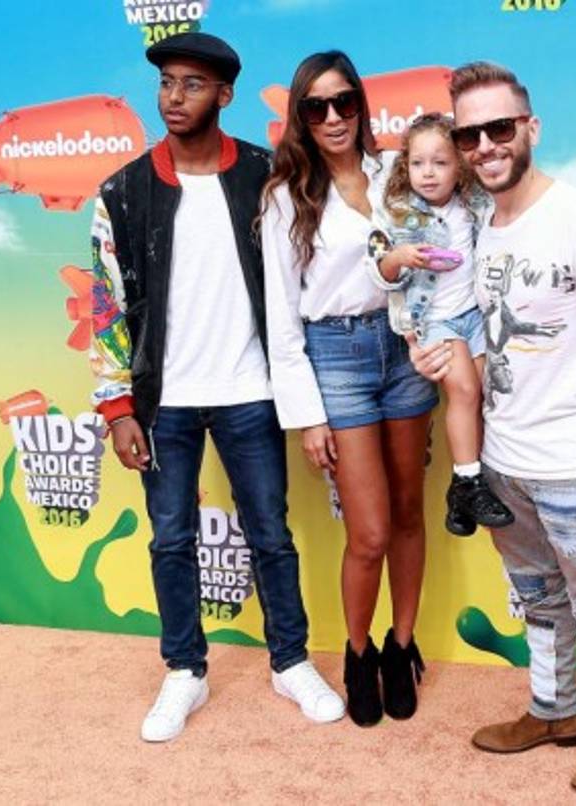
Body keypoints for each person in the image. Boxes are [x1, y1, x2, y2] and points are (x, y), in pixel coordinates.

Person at [89, 32, 343, 743]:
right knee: (171, 539)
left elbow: (308, 274)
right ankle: (184, 671)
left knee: (271, 533)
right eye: (167, 82)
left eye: (192, 85)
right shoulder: (123, 192)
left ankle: (290, 660)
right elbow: (105, 307)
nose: (174, 96)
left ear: (225, 95)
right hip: (163, 401)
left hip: (250, 390)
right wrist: (117, 408)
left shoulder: (266, 177)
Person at [410, 62, 576, 793]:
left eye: (500, 128)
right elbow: (495, 339)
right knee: (537, 594)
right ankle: (554, 710)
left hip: (575, 459)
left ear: (530, 129)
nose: (485, 145)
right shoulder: (486, 226)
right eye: (469, 134)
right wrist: (445, 358)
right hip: (503, 455)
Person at [260, 51, 436, 726]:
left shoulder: (396, 172)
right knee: (368, 532)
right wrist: (307, 416)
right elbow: (282, 315)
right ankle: (358, 652)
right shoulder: (284, 197)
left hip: (404, 347)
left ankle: (401, 644)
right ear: (300, 117)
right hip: (334, 357)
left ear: (361, 105)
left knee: (408, 514)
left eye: (344, 103)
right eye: (316, 106)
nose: (333, 117)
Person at [365, 112, 514, 538]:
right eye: (417, 163)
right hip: (432, 321)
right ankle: (469, 480)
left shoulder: (473, 205)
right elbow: (377, 271)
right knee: (463, 390)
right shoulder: (397, 215)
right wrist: (398, 260)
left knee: (482, 394)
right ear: (404, 165)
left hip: (474, 317)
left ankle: (461, 488)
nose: (427, 173)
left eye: (440, 163)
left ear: (460, 166)